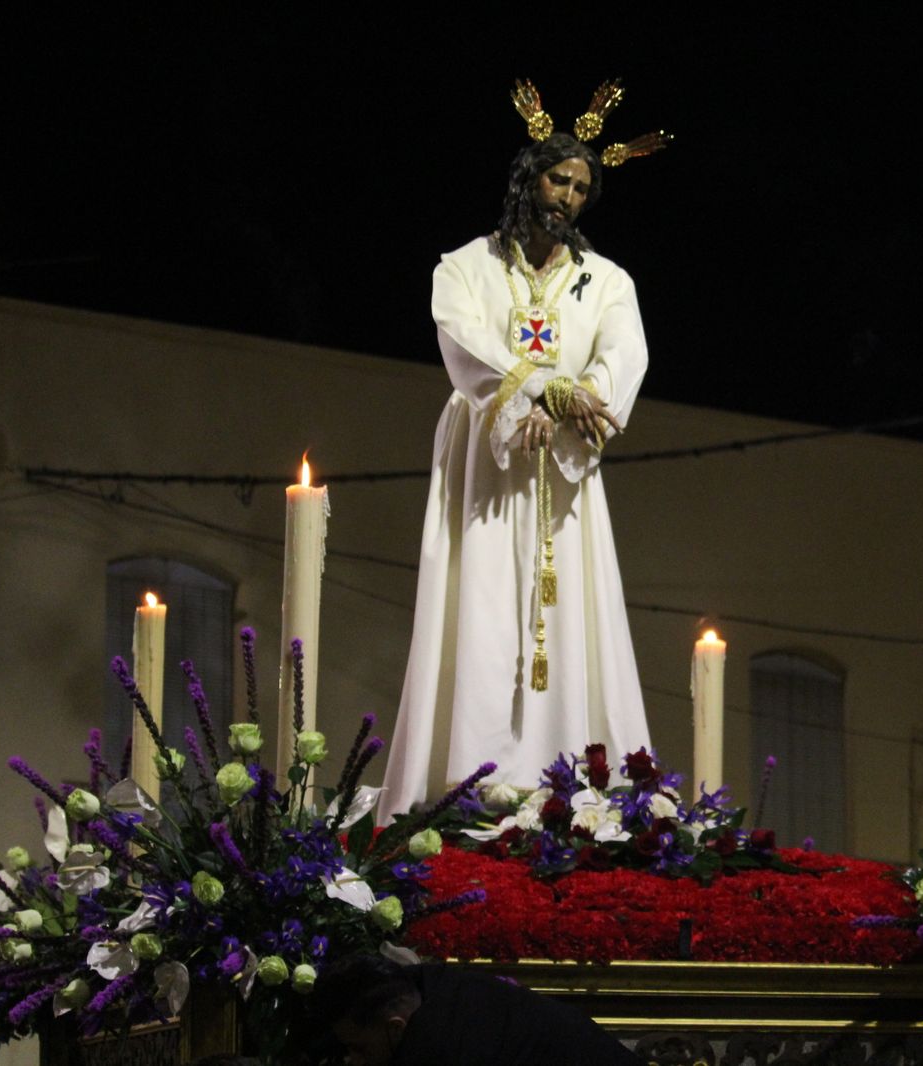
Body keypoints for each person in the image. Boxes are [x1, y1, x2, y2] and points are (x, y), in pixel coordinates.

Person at [379, 81, 672, 818]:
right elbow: (463, 341)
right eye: (556, 178)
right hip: (484, 463)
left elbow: (622, 360)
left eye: (580, 187)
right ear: (528, 178)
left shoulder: (605, 282)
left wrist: (573, 403)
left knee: (569, 610)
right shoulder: (465, 266)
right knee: (476, 603)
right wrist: (531, 396)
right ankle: (464, 777)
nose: (567, 196)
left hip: (565, 476)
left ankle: (562, 779)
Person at [308, 955, 640, 1066]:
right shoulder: (426, 984)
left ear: (396, 1027)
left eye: (360, 1049)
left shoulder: (444, 1047)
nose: (354, 1061)